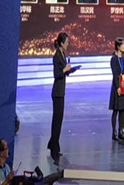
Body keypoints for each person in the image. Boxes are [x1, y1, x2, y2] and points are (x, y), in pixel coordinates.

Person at [47, 32, 72, 162]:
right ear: (61, 43)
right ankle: (53, 149)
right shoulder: (57, 55)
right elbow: (56, 74)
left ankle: (54, 145)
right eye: (66, 42)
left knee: (59, 120)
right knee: (56, 121)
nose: (68, 44)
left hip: (61, 91)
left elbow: (63, 72)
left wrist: (69, 70)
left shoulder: (63, 54)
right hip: (57, 92)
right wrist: (64, 70)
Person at [109, 37, 124, 141]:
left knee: (123, 110)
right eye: (122, 45)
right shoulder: (113, 59)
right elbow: (115, 74)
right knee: (116, 110)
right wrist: (117, 87)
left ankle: (121, 131)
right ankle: (114, 132)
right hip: (117, 87)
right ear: (118, 46)